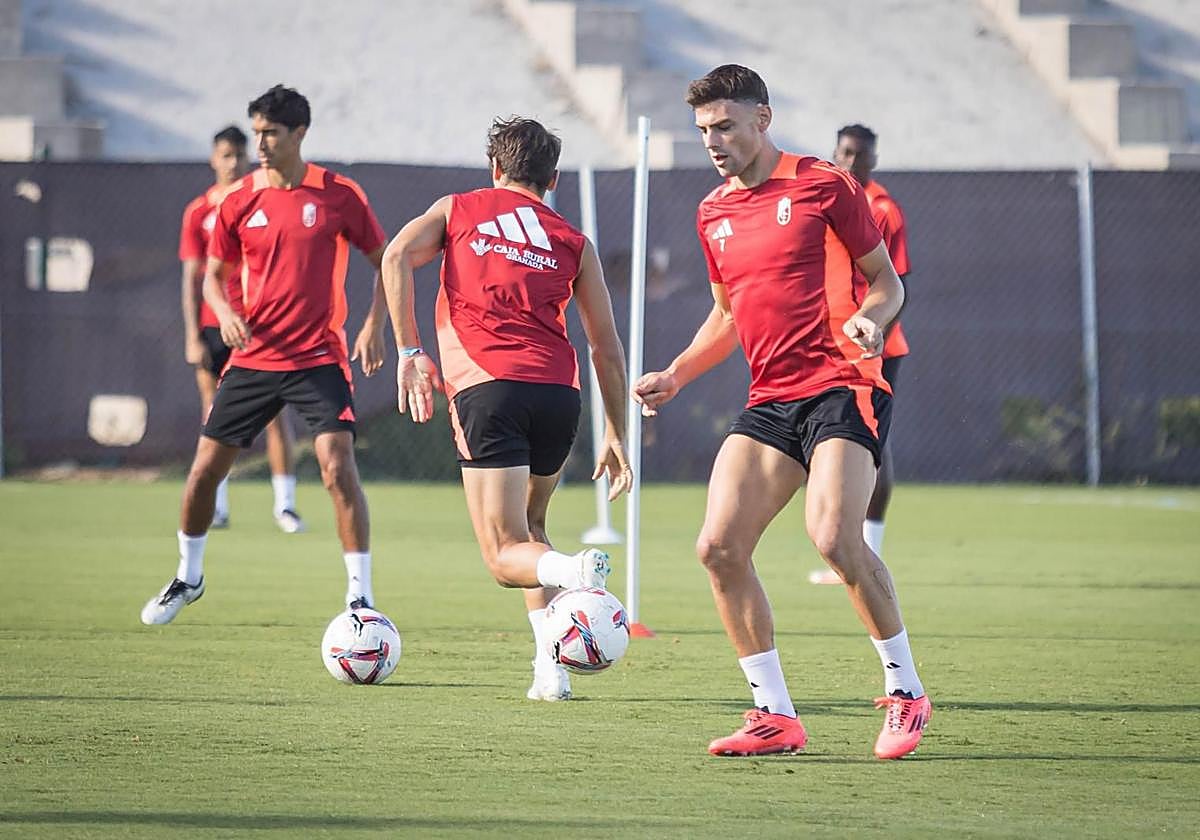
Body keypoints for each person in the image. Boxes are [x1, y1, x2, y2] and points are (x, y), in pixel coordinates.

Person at [632, 65, 931, 759]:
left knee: (832, 536)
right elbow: (726, 315)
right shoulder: (712, 212)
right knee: (718, 547)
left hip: (842, 385)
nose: (714, 139)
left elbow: (887, 284)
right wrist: (675, 375)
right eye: (704, 129)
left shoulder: (825, 183)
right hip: (770, 397)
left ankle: (907, 693)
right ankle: (774, 715)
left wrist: (868, 321)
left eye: (726, 125)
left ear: (762, 120)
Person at [380, 116, 632, 701]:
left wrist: (410, 352)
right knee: (530, 530)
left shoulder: (459, 209)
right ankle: (551, 670)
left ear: (495, 168)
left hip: (488, 386)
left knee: (502, 557)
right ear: (553, 179)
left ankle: (575, 575)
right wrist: (616, 430)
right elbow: (606, 346)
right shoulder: (573, 240)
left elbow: (395, 257)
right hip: (558, 395)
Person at [141, 84, 390, 625]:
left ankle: (360, 596)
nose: (260, 143)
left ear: (300, 134)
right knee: (205, 472)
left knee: (335, 466)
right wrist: (225, 313)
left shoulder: (339, 194)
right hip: (254, 359)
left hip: (319, 358)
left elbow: (386, 261)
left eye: (270, 133)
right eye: (255, 132)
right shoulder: (237, 200)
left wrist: (375, 323)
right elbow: (212, 278)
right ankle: (188, 576)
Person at [178, 124, 304, 533]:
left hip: (257, 328)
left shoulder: (261, 199)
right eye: (225, 155)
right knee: (213, 414)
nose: (233, 163)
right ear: (214, 159)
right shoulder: (199, 211)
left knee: (274, 415)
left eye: (239, 155)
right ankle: (216, 505)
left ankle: (285, 505)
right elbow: (193, 277)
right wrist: (193, 334)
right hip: (215, 327)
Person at [810, 123, 912, 585]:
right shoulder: (824, 195)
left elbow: (895, 280)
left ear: (874, 159)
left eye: (862, 156)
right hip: (830, 339)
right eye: (846, 153)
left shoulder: (883, 209)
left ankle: (867, 553)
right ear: (835, 151)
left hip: (874, 343)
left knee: (871, 445)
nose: (853, 163)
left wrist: (874, 328)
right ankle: (846, 550)